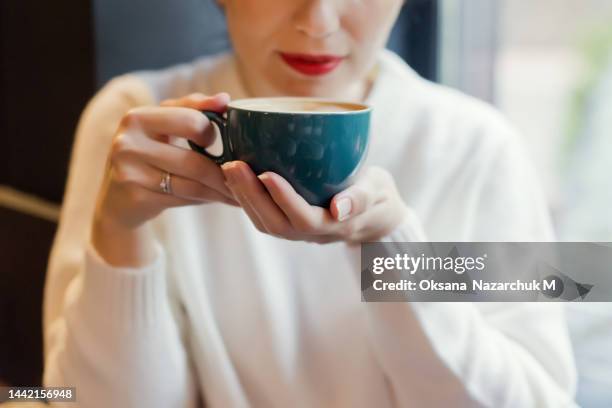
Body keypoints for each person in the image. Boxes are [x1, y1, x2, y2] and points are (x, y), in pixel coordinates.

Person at [43, 0, 577, 406]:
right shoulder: (138, 123)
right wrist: (119, 229)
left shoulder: (477, 148)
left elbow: (541, 395)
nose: (318, 21)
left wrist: (392, 246)